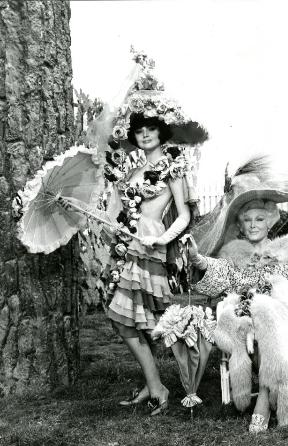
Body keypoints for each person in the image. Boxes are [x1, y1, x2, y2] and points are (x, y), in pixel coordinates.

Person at [187, 156, 288, 432]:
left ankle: (262, 396)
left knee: (271, 314)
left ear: (270, 221)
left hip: (280, 320)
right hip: (245, 319)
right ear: (240, 224)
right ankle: (277, 398)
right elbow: (219, 273)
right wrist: (199, 260)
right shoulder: (233, 254)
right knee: (255, 316)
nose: (253, 225)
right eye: (247, 220)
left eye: (259, 219)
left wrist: (276, 289)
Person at [100, 51, 208, 415]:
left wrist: (163, 239)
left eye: (151, 129)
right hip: (125, 242)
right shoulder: (131, 169)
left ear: (161, 131)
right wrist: (108, 219)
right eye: (139, 130)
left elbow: (185, 213)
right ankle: (155, 385)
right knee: (129, 320)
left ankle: (160, 385)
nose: (144, 135)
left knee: (126, 320)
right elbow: (119, 206)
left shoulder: (171, 167)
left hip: (148, 246)